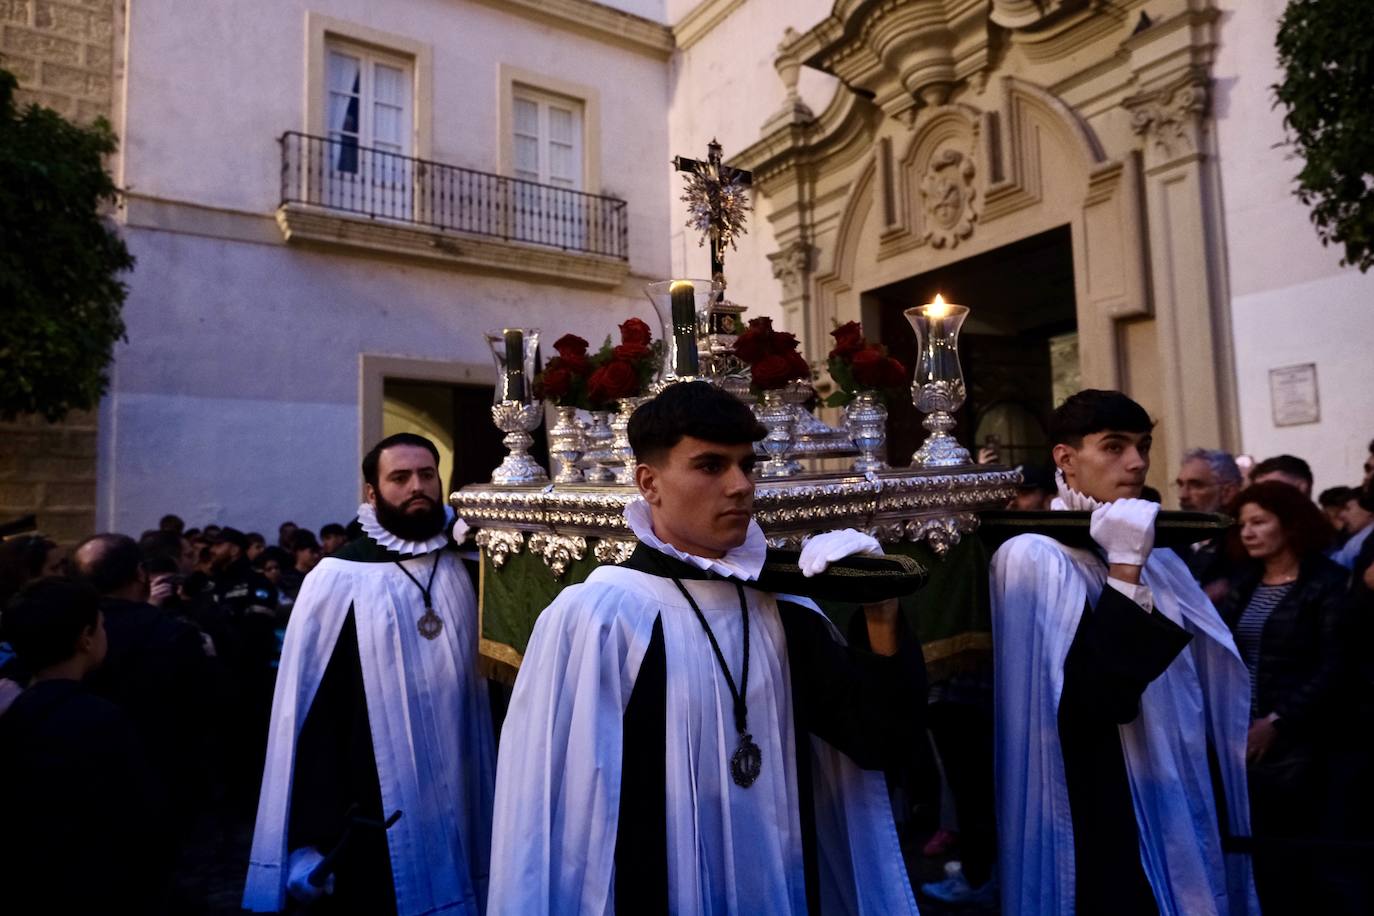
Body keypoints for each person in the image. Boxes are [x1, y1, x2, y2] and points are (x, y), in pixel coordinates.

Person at [488, 381, 926, 914]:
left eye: (748, 465)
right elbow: (550, 814)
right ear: (648, 482)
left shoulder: (782, 605)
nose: (741, 486)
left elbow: (879, 740)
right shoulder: (598, 619)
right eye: (711, 465)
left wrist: (880, 606)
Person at [990, 389, 1256, 915]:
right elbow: (1094, 699)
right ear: (1065, 458)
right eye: (1113, 446)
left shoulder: (1149, 547)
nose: (1136, 462)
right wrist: (1126, 569)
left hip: (1173, 773)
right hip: (1097, 793)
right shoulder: (1032, 554)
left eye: (1143, 445)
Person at [244, 433, 494, 916]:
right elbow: (314, 708)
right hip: (373, 791)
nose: (417, 487)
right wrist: (317, 827)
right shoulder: (338, 578)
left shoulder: (470, 561)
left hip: (468, 762)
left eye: (426, 475)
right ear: (372, 494)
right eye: (399, 478)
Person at [1216, 482, 1349, 914]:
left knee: (1303, 860)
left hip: (1302, 743)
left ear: (1289, 526)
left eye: (1260, 522)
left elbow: (1335, 666)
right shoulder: (1244, 583)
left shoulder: (1326, 584)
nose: (1248, 532)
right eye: (1243, 525)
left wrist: (1277, 721)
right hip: (1244, 736)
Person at [0, 578, 168, 912]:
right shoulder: (101, 720)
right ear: (86, 638)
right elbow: (139, 819)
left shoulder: (14, 707)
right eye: (102, 626)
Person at [1173, 447, 1243, 594]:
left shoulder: (1245, 544)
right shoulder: (1171, 543)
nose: (1183, 495)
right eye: (1180, 484)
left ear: (1227, 492)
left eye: (1196, 485)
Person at [1330, 486, 1374, 570]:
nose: (1341, 515)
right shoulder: (1358, 538)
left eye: (1348, 509)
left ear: (1369, 509)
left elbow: (1333, 566)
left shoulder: (1360, 541)